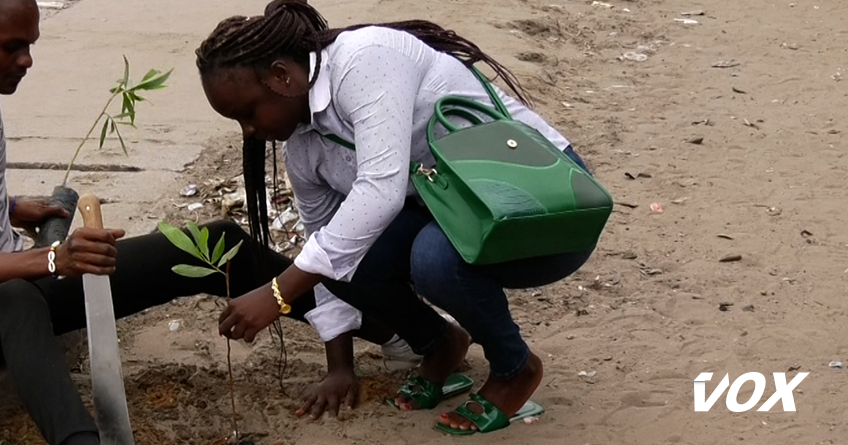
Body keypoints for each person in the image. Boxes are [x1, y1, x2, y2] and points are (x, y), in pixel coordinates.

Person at [0, 1, 430, 443]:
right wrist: (54, 258)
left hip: (18, 277)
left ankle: (392, 329)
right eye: (12, 47)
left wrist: (16, 209)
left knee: (217, 243)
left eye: (30, 45)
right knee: (17, 299)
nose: (27, 60)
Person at [195, 0, 599, 435]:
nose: (248, 132)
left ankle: (514, 368)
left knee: (433, 260)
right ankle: (441, 344)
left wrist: (278, 293)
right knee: (335, 256)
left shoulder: (364, 61)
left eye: (247, 113)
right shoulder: (305, 149)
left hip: (545, 205)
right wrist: (339, 367)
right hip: (459, 210)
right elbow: (324, 249)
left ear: (281, 76)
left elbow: (381, 190)